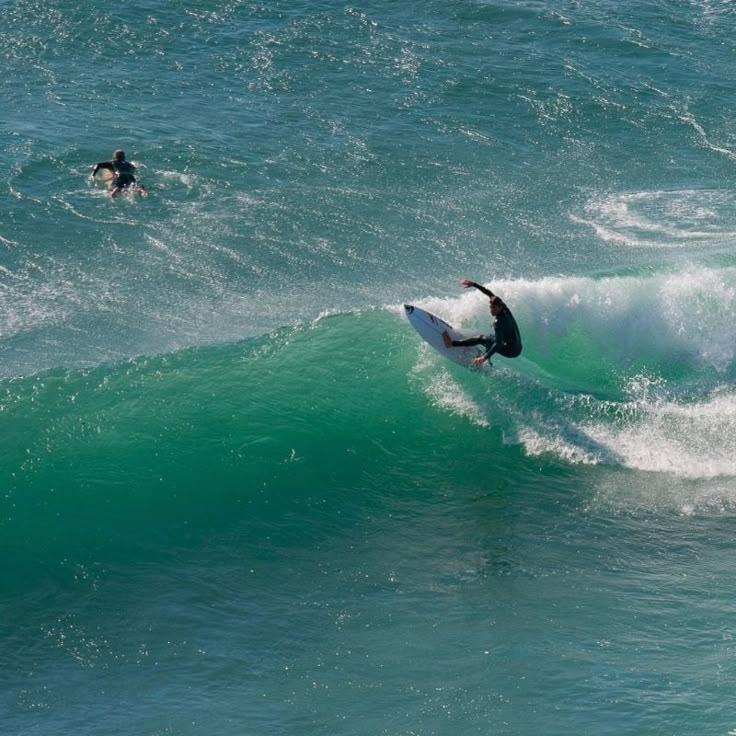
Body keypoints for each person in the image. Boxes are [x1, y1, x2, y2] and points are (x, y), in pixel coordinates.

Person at [442, 278, 522, 367]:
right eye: (490, 307)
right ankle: (486, 356)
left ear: (499, 307)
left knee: (481, 339)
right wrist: (474, 284)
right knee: (490, 338)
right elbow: (489, 293)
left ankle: (451, 344)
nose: (491, 310)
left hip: (511, 351)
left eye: (494, 308)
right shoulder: (505, 309)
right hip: (518, 347)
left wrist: (484, 357)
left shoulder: (498, 322)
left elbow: (498, 344)